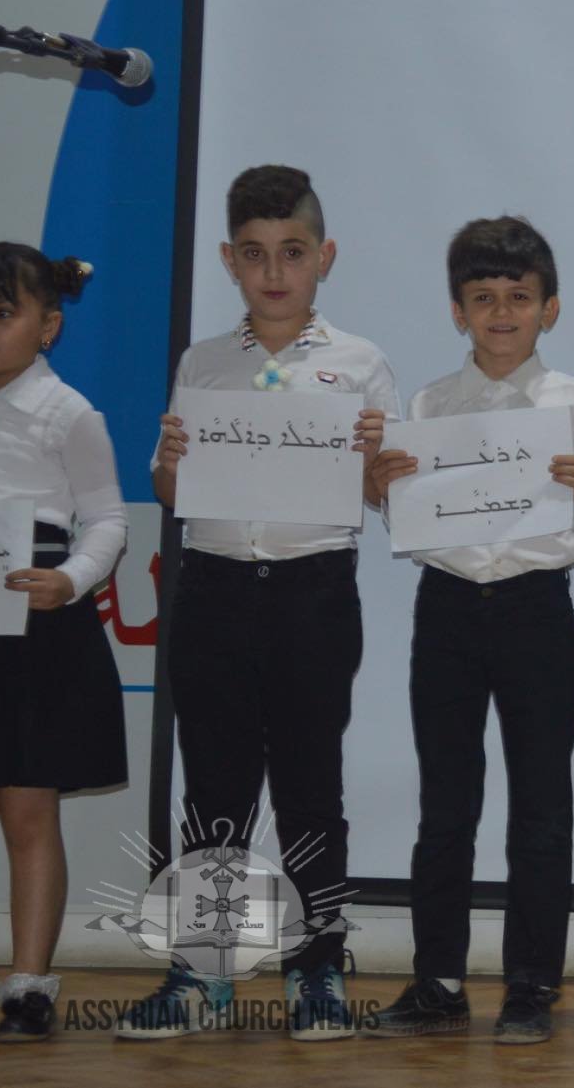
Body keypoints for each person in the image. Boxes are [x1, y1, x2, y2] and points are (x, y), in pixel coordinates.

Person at [128, 166, 398, 1041]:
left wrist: (377, 461)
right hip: (212, 587)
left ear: (324, 256)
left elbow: (386, 496)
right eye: (254, 254)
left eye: (292, 252)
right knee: (214, 789)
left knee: (312, 786)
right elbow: (172, 491)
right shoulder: (202, 363)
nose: (274, 272)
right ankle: (201, 971)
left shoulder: (360, 364)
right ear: (228, 260)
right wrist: (172, 463)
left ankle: (317, 967)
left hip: (314, 589)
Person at [364, 216, 574, 1045]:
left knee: (542, 807)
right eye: (483, 298)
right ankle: (437, 981)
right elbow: (412, 522)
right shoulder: (429, 405)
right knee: (446, 805)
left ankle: (531, 984)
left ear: (549, 308)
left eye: (518, 296)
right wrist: (382, 488)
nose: (501, 313)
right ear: (457, 311)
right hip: (447, 608)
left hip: (538, 609)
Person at [0, 245, 127, 1043]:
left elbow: (107, 518)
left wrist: (70, 579)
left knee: (28, 807)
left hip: (36, 616)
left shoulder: (67, 412)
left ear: (47, 327)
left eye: (4, 313)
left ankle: (31, 981)